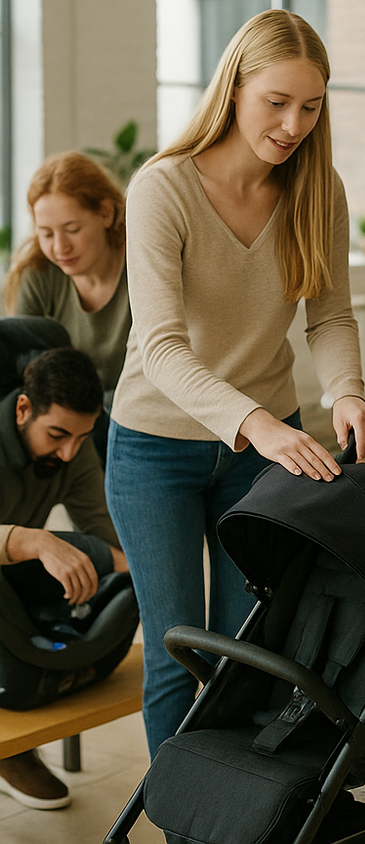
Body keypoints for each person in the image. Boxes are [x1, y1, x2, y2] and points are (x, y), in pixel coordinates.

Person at [107, 9, 365, 756]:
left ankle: (233, 821)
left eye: (311, 105)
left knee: (250, 655)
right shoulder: (162, 188)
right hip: (156, 448)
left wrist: (350, 391)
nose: (294, 122)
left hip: (260, 455)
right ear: (234, 88)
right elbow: (162, 349)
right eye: (277, 101)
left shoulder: (316, 188)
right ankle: (180, 829)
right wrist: (259, 422)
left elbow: (328, 315)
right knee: (180, 655)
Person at [0, 346, 128, 810]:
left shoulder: (72, 451)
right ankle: (11, 747)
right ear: (22, 409)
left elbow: (105, 533)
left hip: (11, 584)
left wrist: (146, 571)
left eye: (81, 436)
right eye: (57, 434)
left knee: (106, 568)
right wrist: (34, 541)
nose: (70, 451)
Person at [4, 152, 131, 459]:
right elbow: (26, 372)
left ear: (105, 213)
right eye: (46, 234)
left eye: (72, 230)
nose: (59, 248)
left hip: (135, 420)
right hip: (71, 423)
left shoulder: (144, 261)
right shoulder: (39, 274)